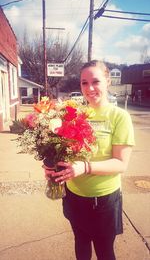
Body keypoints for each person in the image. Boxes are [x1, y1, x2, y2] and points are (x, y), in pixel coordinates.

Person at [43, 60, 135, 260]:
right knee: (81, 245)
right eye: (84, 83)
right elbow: (63, 149)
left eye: (95, 81)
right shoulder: (76, 114)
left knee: (104, 251)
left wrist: (85, 167)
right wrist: (51, 166)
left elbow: (121, 163)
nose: (89, 88)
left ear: (108, 81)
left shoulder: (119, 117)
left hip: (102, 200)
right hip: (74, 195)